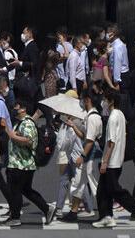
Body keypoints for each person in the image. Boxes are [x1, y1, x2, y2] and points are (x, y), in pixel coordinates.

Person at [0, 96, 53, 227]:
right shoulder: (22, 122)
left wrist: (12, 135)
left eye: (16, 107)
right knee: (26, 190)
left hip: (21, 164)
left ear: (23, 109)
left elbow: (28, 140)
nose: (14, 109)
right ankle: (47, 209)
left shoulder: (27, 123)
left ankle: (15, 217)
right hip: (21, 164)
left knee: (15, 191)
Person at [94, 90, 135, 227]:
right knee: (103, 191)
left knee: (114, 190)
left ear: (111, 101)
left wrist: (105, 161)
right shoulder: (121, 114)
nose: (103, 102)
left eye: (105, 99)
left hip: (111, 161)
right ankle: (107, 217)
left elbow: (111, 142)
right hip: (118, 160)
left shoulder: (112, 118)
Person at [61, 90, 101, 222]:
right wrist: (73, 126)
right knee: (80, 184)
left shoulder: (93, 117)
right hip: (88, 154)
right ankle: (73, 212)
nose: (81, 103)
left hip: (90, 155)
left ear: (88, 100)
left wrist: (82, 156)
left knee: (94, 185)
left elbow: (90, 141)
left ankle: (108, 211)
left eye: (83, 100)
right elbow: (84, 136)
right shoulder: (89, 116)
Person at [106, 25, 132, 113]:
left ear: (113, 34)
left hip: (121, 76)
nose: (107, 34)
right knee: (124, 99)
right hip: (122, 75)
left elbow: (117, 63)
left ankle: (124, 116)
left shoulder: (117, 46)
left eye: (108, 32)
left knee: (122, 100)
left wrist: (116, 81)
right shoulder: (117, 44)